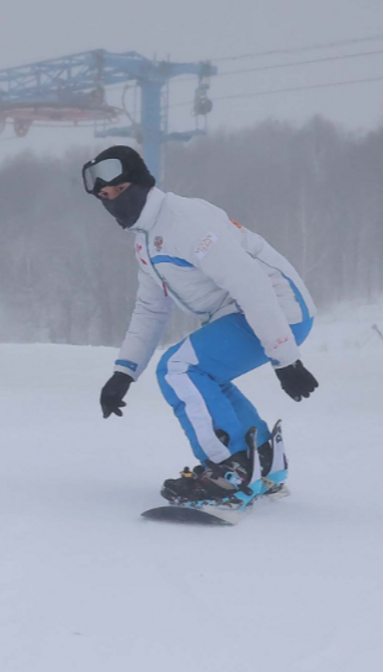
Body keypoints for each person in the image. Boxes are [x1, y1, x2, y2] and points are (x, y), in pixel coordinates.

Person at [86, 145, 320, 509]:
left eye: (120, 189)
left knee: (179, 368)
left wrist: (286, 359)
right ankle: (262, 462)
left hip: (277, 311)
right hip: (251, 314)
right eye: (105, 196)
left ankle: (231, 470)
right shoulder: (147, 239)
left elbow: (251, 284)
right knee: (202, 375)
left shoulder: (185, 220)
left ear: (142, 184)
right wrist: (124, 372)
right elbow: (151, 309)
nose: (114, 201)